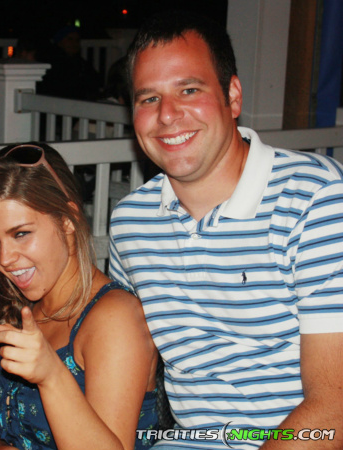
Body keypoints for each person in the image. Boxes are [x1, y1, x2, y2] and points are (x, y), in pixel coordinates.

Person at [109, 11, 343, 449]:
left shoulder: (317, 197)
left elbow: (335, 407)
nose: (167, 115)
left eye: (189, 90)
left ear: (232, 96)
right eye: (148, 98)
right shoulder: (130, 223)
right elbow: (115, 348)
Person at [0, 143, 158, 450]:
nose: (5, 258)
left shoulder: (113, 318)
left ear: (68, 218)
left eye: (21, 234)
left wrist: (51, 375)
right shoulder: (22, 314)